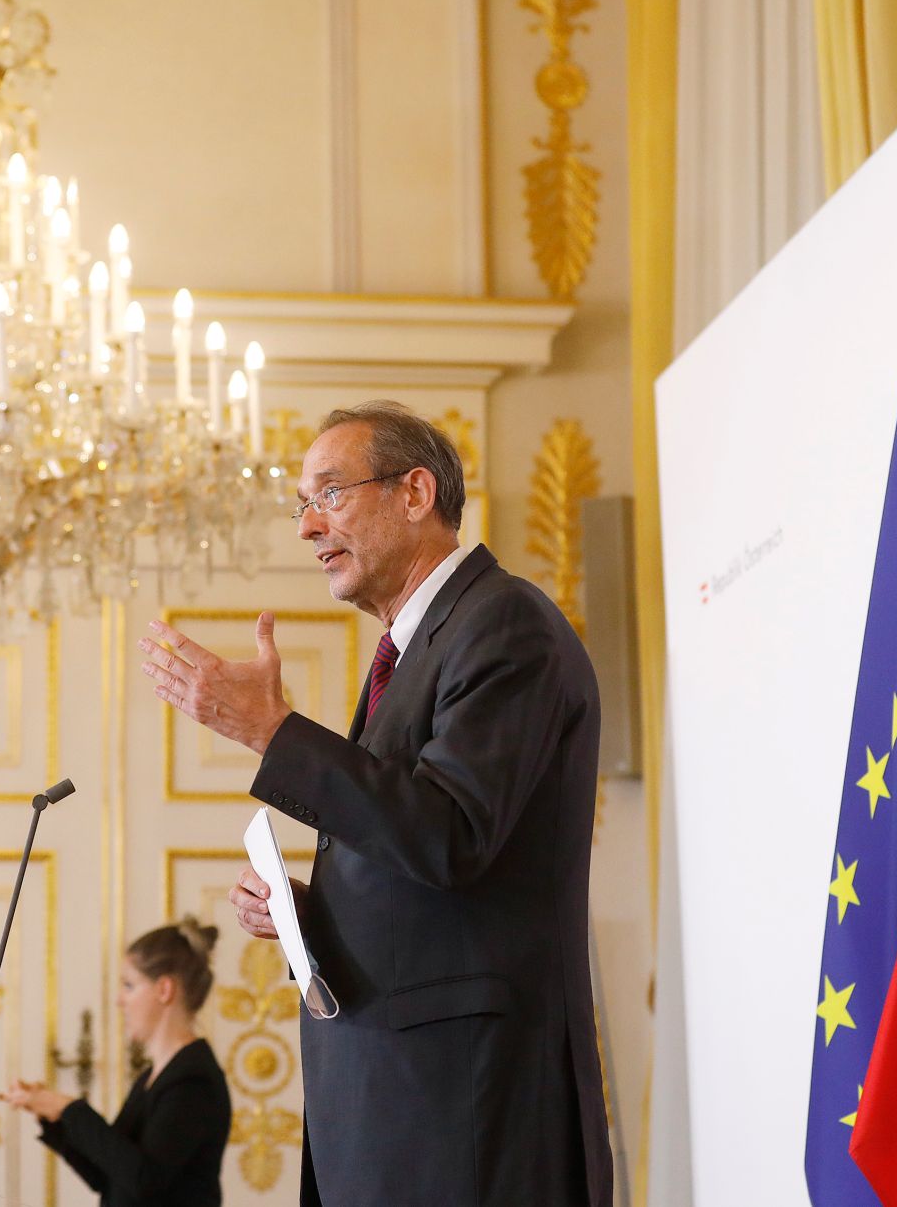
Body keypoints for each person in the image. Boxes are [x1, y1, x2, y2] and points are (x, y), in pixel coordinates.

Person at [137, 401, 611, 1205]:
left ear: (415, 492)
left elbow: (452, 834)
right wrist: (306, 914)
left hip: (470, 1113)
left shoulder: (503, 623)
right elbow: (419, 866)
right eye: (301, 505)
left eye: (328, 494)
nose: (307, 527)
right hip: (401, 1107)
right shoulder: (409, 650)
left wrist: (273, 731)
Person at [0, 918, 232, 1206]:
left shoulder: (192, 1080)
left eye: (129, 985)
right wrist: (54, 1116)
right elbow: (106, 1174)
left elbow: (145, 1180)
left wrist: (69, 1108)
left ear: (164, 990)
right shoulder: (154, 1075)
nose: (120, 1001)